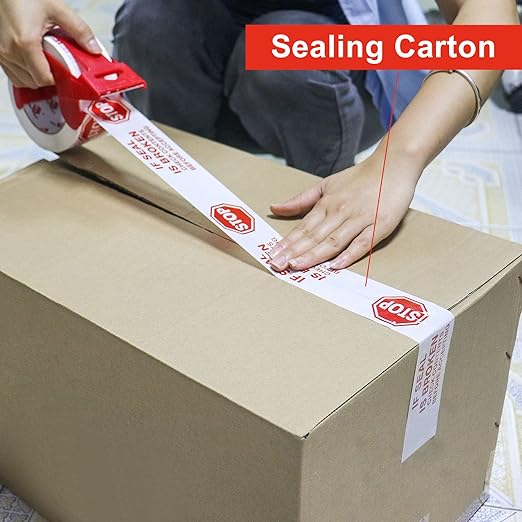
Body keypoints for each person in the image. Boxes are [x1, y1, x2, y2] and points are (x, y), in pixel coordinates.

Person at [0, 0, 518, 273]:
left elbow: (492, 26)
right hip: (206, 28)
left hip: (328, 52)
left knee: (279, 57)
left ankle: (320, 218)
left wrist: (396, 161)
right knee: (151, 26)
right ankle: (185, 217)